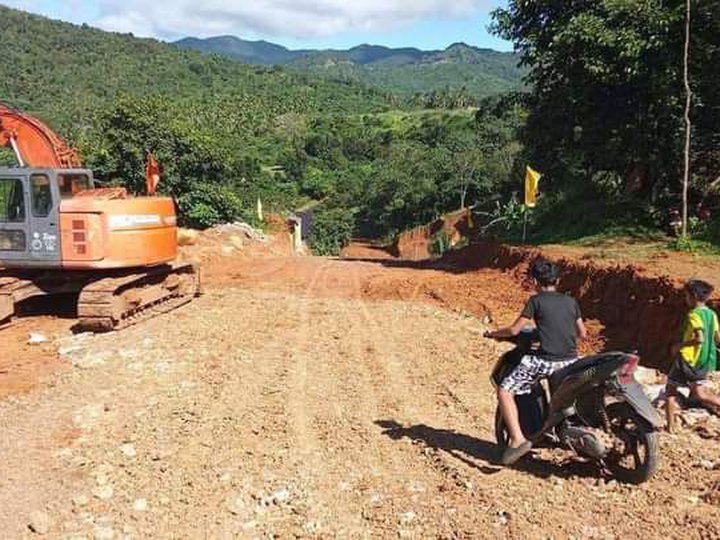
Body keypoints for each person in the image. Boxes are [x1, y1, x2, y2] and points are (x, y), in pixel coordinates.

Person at [485, 257, 587, 465]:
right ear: (557, 281)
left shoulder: (535, 301)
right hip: (570, 361)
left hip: (545, 360)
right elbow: (582, 334)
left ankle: (517, 439)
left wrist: (493, 333)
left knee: (504, 391)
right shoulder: (571, 302)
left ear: (534, 281)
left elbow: (514, 330)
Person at [665, 279, 720, 432]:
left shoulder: (693, 315)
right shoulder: (711, 315)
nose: (685, 298)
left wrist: (678, 346)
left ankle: (670, 427)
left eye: (686, 295)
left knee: (670, 390)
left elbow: (699, 338)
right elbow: (717, 339)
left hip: (688, 359)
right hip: (705, 361)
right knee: (699, 393)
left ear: (693, 296)